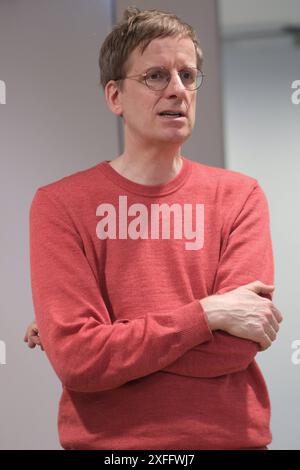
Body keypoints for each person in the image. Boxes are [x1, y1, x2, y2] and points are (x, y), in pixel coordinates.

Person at [25, 6, 283, 450]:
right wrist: (209, 313)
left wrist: (111, 341)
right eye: (156, 76)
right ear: (114, 97)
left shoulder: (240, 196)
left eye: (188, 74)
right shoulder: (60, 205)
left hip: (230, 441)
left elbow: (238, 346)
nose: (178, 90)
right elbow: (79, 361)